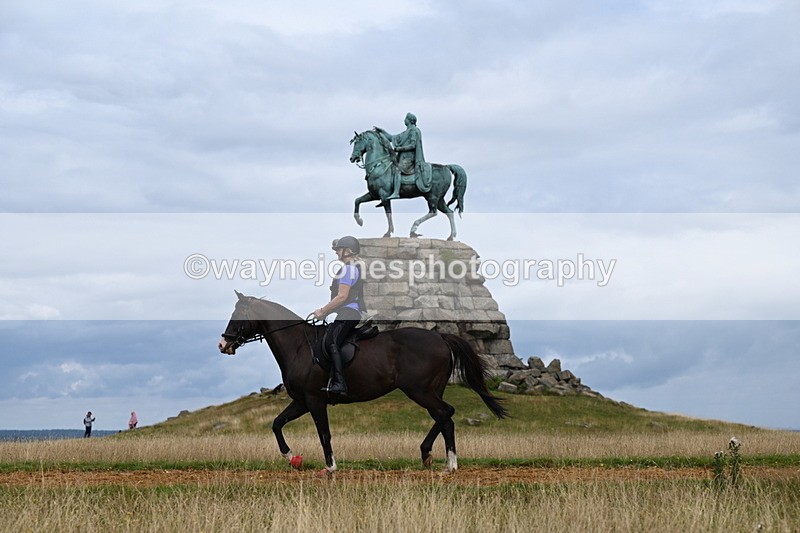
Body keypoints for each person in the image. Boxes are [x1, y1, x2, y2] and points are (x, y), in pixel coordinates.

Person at [312, 235, 365, 396]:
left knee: (331, 341)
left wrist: (322, 310)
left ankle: (339, 383)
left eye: (339, 250)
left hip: (350, 312)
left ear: (347, 251)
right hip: (347, 311)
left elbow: (342, 296)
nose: (336, 253)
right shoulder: (350, 268)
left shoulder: (348, 269)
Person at [374, 112, 431, 202]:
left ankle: (396, 192)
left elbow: (413, 145)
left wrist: (399, 148)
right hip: (402, 158)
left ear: (409, 120)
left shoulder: (414, 131)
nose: (404, 120)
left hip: (410, 159)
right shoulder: (405, 132)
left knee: (397, 170)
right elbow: (392, 138)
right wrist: (382, 131)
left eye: (405, 118)